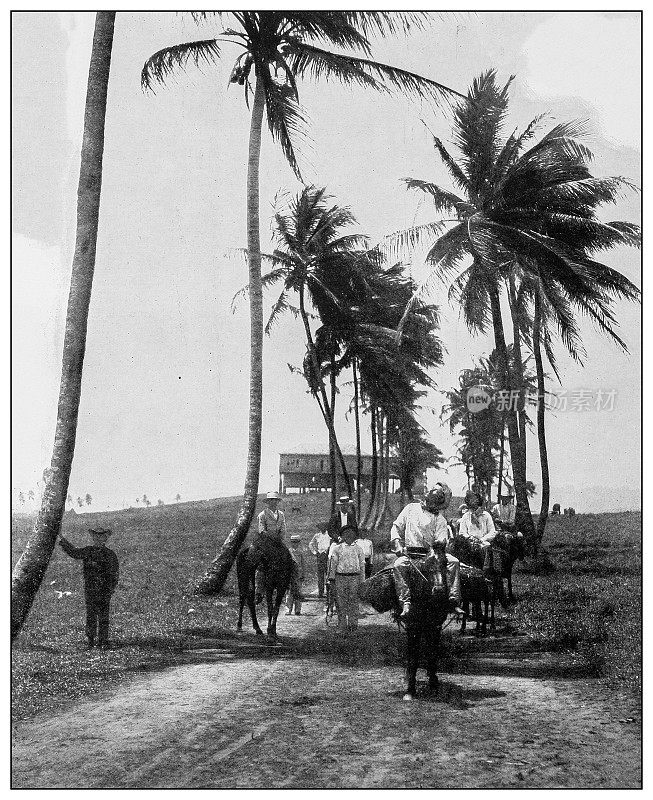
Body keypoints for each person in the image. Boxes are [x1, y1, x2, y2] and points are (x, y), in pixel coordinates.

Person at [391, 485, 464, 620]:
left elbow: (442, 538)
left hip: (431, 553)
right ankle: (405, 602)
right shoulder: (410, 508)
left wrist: (439, 545)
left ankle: (453, 599)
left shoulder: (440, 518)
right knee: (398, 565)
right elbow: (396, 526)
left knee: (454, 562)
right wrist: (397, 543)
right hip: (410, 554)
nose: (434, 503)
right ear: (426, 496)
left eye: (438, 501)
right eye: (432, 498)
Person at [58, 527, 119, 649]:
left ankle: (103, 642)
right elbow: (74, 552)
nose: (98, 539)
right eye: (96, 537)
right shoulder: (88, 551)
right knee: (91, 615)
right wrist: (61, 538)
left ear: (105, 539)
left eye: (101, 537)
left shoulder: (110, 554)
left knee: (103, 616)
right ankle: (91, 642)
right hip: (90, 590)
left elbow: (115, 574)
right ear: (93, 538)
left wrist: (110, 589)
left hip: (104, 590)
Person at [250, 491, 287, 603]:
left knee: (291, 560)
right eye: (271, 500)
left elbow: (283, 528)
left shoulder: (281, 514)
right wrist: (271, 538)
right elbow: (262, 530)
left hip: (278, 541)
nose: (273, 502)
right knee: (261, 565)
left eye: (275, 500)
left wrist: (280, 537)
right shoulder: (262, 515)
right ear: (267, 502)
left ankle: (292, 588)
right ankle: (259, 591)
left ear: (277, 502)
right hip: (266, 542)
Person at [328, 525, 365, 634]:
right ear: (342, 535)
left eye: (351, 533)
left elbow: (362, 565)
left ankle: (353, 626)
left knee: (353, 601)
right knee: (340, 602)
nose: (349, 535)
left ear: (355, 536)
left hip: (354, 577)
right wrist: (331, 579)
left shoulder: (358, 549)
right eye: (346, 533)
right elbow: (333, 565)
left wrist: (362, 581)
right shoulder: (337, 549)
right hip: (340, 577)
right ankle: (342, 626)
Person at [308, 523, 332, 599]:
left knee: (328, 575)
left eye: (324, 527)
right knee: (320, 575)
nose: (322, 528)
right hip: (320, 556)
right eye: (321, 527)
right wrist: (315, 552)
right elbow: (311, 544)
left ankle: (329, 593)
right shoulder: (317, 535)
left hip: (327, 556)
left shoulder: (330, 535)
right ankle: (320, 593)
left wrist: (328, 552)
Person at [286, 535, 305, 615]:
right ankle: (288, 609)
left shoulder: (300, 552)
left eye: (296, 542)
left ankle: (298, 609)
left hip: (298, 575)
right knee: (289, 592)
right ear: (291, 543)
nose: (295, 544)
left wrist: (303, 574)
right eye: (293, 542)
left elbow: (303, 564)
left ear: (299, 543)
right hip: (290, 574)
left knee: (298, 591)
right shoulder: (288, 551)